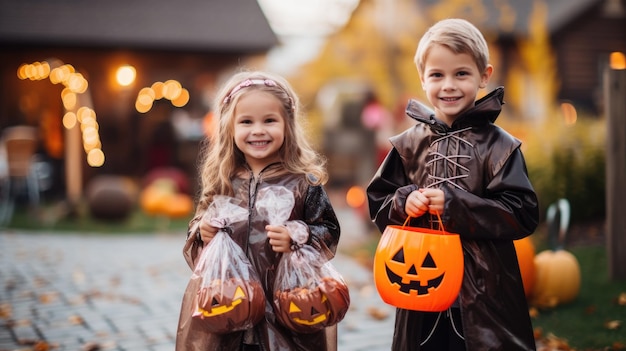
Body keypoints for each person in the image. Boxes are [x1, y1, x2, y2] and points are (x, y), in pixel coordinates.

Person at [366, 18, 539, 351]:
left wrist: (456, 206)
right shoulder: (408, 145)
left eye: (461, 74)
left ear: (484, 76)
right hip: (419, 282)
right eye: (437, 75)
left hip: (482, 292)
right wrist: (404, 202)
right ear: (422, 78)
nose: (448, 85)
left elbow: (522, 213)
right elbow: (380, 203)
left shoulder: (500, 147)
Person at [176, 70, 341, 351]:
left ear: (287, 125)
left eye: (269, 120)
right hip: (230, 306)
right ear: (230, 127)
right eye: (246, 122)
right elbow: (196, 232)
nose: (258, 130)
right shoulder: (223, 181)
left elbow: (329, 232)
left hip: (287, 309)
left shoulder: (303, 183)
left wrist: (297, 235)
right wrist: (201, 231)